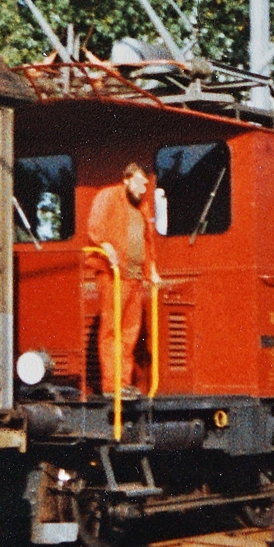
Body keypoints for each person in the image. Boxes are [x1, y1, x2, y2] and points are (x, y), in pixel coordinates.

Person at [87, 163, 160, 395]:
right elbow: (96, 226)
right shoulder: (108, 196)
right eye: (140, 183)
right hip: (113, 275)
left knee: (130, 332)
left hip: (135, 277)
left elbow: (147, 243)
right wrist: (105, 244)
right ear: (127, 180)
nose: (143, 188)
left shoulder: (143, 208)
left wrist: (152, 271)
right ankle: (112, 385)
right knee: (112, 330)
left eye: (146, 185)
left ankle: (124, 383)